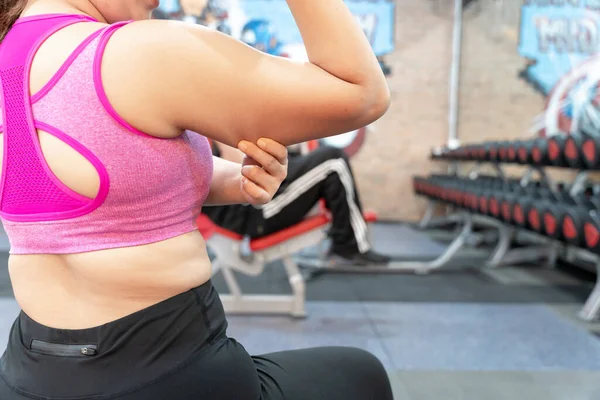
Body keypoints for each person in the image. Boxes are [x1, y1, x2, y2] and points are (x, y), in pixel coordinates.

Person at [0, 0, 393, 399]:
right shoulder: (139, 50)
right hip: (165, 373)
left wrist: (236, 182)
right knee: (363, 375)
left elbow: (65, 182)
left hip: (25, 374)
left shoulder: (8, 50)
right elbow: (360, 93)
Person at [206, 141, 391, 265]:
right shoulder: (212, 124)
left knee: (328, 158)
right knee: (333, 161)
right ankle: (349, 246)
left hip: (258, 198)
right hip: (256, 211)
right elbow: (241, 169)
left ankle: (345, 242)